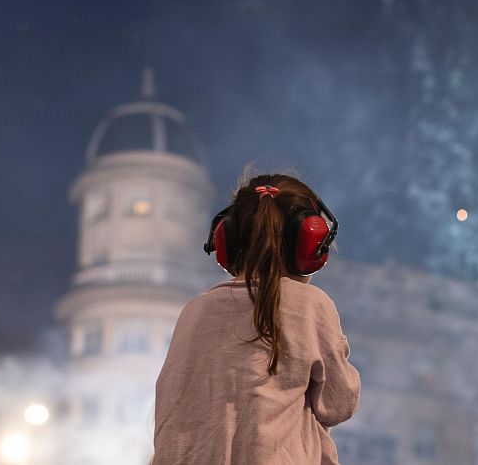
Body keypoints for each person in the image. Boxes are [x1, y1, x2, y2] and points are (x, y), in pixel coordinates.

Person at [152, 173, 361, 464]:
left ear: (228, 243)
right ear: (312, 245)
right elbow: (337, 405)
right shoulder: (312, 306)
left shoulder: (194, 310)